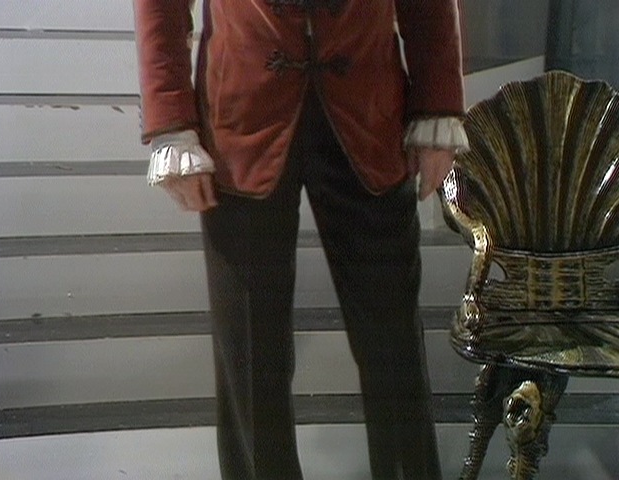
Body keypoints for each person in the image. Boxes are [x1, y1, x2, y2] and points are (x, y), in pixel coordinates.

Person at [133, 1, 469, 478]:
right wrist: (171, 122)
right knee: (250, 355)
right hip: (241, 116)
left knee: (392, 342)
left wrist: (437, 105)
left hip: (370, 108)